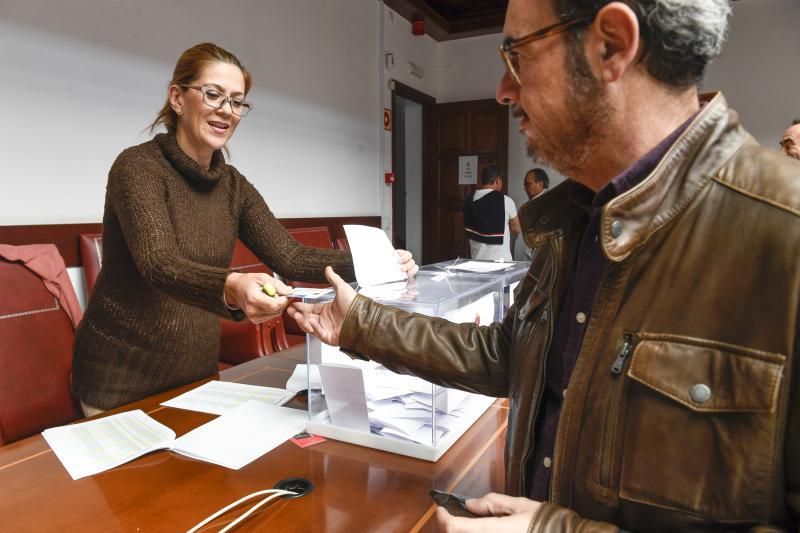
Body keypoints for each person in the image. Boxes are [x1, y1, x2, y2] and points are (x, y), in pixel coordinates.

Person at [288, 0, 800, 530]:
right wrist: (363, 323)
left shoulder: (787, 233)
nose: (502, 90)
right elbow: (512, 356)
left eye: (516, 56)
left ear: (612, 46)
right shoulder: (576, 216)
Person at [71, 42, 417, 415]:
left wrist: (376, 262)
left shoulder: (232, 185)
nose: (227, 111)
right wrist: (230, 286)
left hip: (195, 377)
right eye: (213, 94)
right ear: (177, 97)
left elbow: (291, 256)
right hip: (120, 382)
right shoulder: (137, 167)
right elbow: (159, 263)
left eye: (237, 101)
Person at [464, 165, 521, 261]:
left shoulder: (468, 202)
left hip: (477, 262)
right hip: (501, 262)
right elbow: (516, 228)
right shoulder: (505, 200)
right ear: (498, 180)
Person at [515, 168, 550, 259]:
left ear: (540, 184)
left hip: (535, 259)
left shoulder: (548, 203)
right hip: (527, 259)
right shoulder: (530, 205)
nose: (525, 188)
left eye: (528, 184)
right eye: (524, 185)